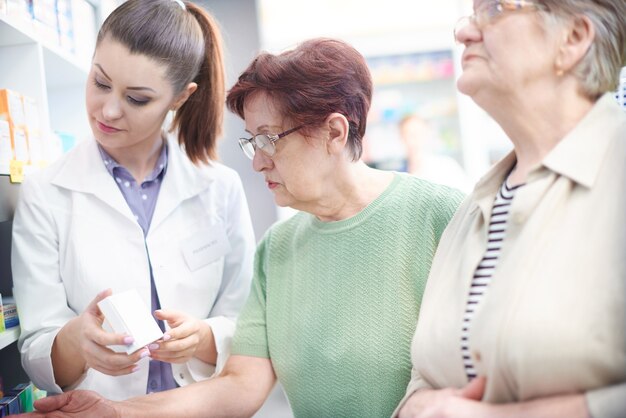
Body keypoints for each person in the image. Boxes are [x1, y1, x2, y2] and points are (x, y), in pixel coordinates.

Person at [17, 38, 464, 418]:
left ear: (334, 132)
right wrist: (118, 412)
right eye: (252, 140)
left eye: (269, 138)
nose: (256, 160)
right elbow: (240, 384)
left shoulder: (443, 219)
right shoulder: (280, 249)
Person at [11, 0, 255, 401]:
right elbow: (36, 348)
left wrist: (205, 337)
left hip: (198, 407)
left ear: (180, 98)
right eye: (100, 82)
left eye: (137, 99)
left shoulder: (219, 188)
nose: (107, 110)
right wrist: (77, 343)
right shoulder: (45, 192)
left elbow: (247, 322)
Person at [394, 0, 626, 417]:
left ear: (572, 39)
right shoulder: (471, 209)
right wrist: (419, 406)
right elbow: (423, 373)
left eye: (495, 9)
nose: (464, 31)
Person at [398, 114, 472, 192]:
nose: (412, 140)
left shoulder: (446, 166)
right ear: (401, 137)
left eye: (416, 134)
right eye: (407, 134)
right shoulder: (400, 173)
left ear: (426, 133)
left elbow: (467, 194)